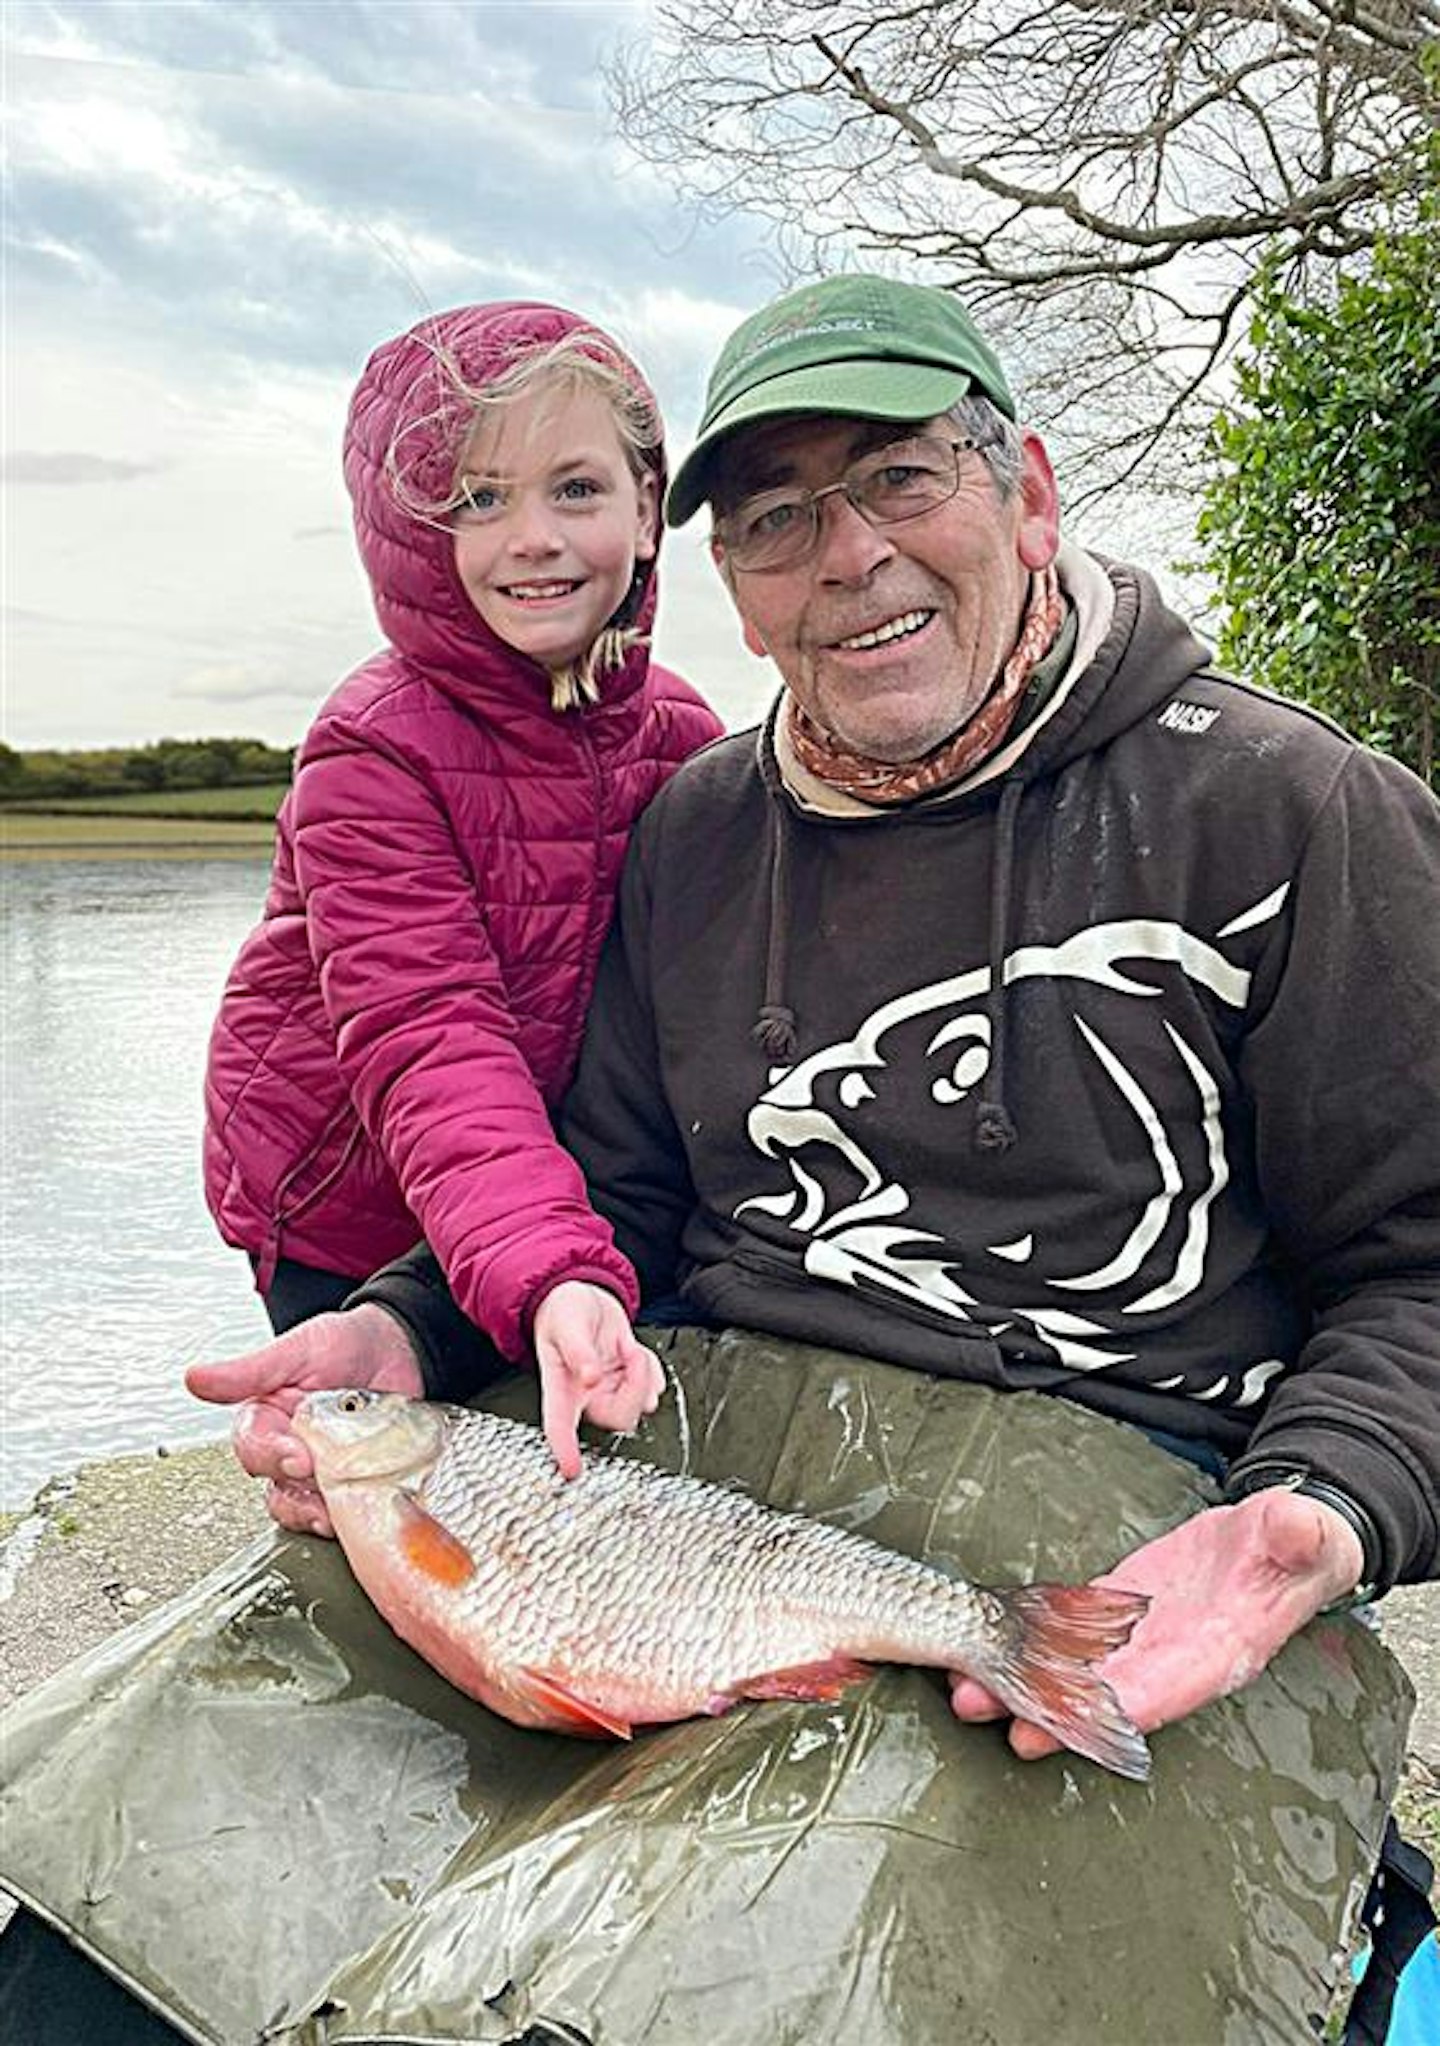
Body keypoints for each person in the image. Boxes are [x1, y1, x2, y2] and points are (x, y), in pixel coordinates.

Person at [190, 272, 1440, 1784]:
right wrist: (404, 1323)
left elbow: (1418, 1264)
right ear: (729, 575)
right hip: (691, 1460)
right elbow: (614, 1183)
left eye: (901, 476)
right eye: (778, 516)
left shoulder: (1298, 811)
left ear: (1030, 496)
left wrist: (1320, 1506)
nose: (850, 555)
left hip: (1116, 1483)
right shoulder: (694, 824)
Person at [200, 300, 721, 1479]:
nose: (532, 536)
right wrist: (546, 1265)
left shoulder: (688, 738)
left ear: (648, 508)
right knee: (406, 1480)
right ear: (411, 531)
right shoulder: (373, 750)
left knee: (570, 1474)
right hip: (348, 1192)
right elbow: (430, 1036)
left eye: (575, 489)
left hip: (554, 1174)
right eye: (480, 499)